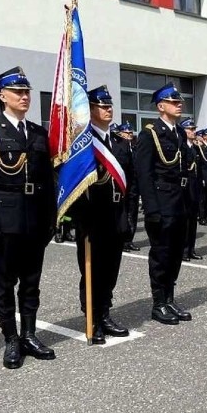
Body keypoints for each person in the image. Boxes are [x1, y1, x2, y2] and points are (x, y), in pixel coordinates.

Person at [0, 66, 57, 369]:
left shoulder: (37, 133)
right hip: (5, 222)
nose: (24, 97)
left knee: (31, 282)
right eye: (18, 92)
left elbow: (48, 181)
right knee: (5, 283)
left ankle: (29, 334)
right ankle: (10, 339)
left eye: (27, 92)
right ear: (2, 95)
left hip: (35, 220)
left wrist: (51, 219)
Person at [68, 85, 136, 345]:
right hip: (92, 218)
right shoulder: (83, 144)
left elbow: (130, 184)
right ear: (89, 109)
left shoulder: (120, 144)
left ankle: (106, 314)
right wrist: (79, 219)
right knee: (92, 272)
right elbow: (71, 184)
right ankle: (92, 318)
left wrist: (129, 216)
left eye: (109, 105)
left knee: (111, 270)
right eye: (101, 105)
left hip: (116, 215)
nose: (108, 109)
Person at [135, 82, 193, 325]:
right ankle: (158, 303)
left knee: (176, 253)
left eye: (179, 102)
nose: (179, 105)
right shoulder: (149, 134)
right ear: (161, 106)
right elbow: (144, 174)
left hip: (179, 201)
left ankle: (169, 298)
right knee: (161, 254)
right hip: (161, 201)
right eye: (173, 102)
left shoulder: (179, 132)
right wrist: (151, 209)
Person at [180, 118, 203, 261]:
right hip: (184, 189)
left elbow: (198, 170)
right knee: (185, 221)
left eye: (194, 129)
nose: (194, 131)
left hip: (194, 188)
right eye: (191, 129)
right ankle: (183, 250)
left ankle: (191, 249)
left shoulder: (195, 148)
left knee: (193, 220)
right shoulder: (181, 147)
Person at [117, 121, 141, 252]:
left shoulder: (135, 147)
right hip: (124, 185)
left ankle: (129, 239)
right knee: (124, 214)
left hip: (134, 186)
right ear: (121, 133)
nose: (130, 135)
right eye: (127, 132)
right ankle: (123, 240)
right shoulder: (119, 147)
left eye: (131, 132)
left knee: (133, 213)